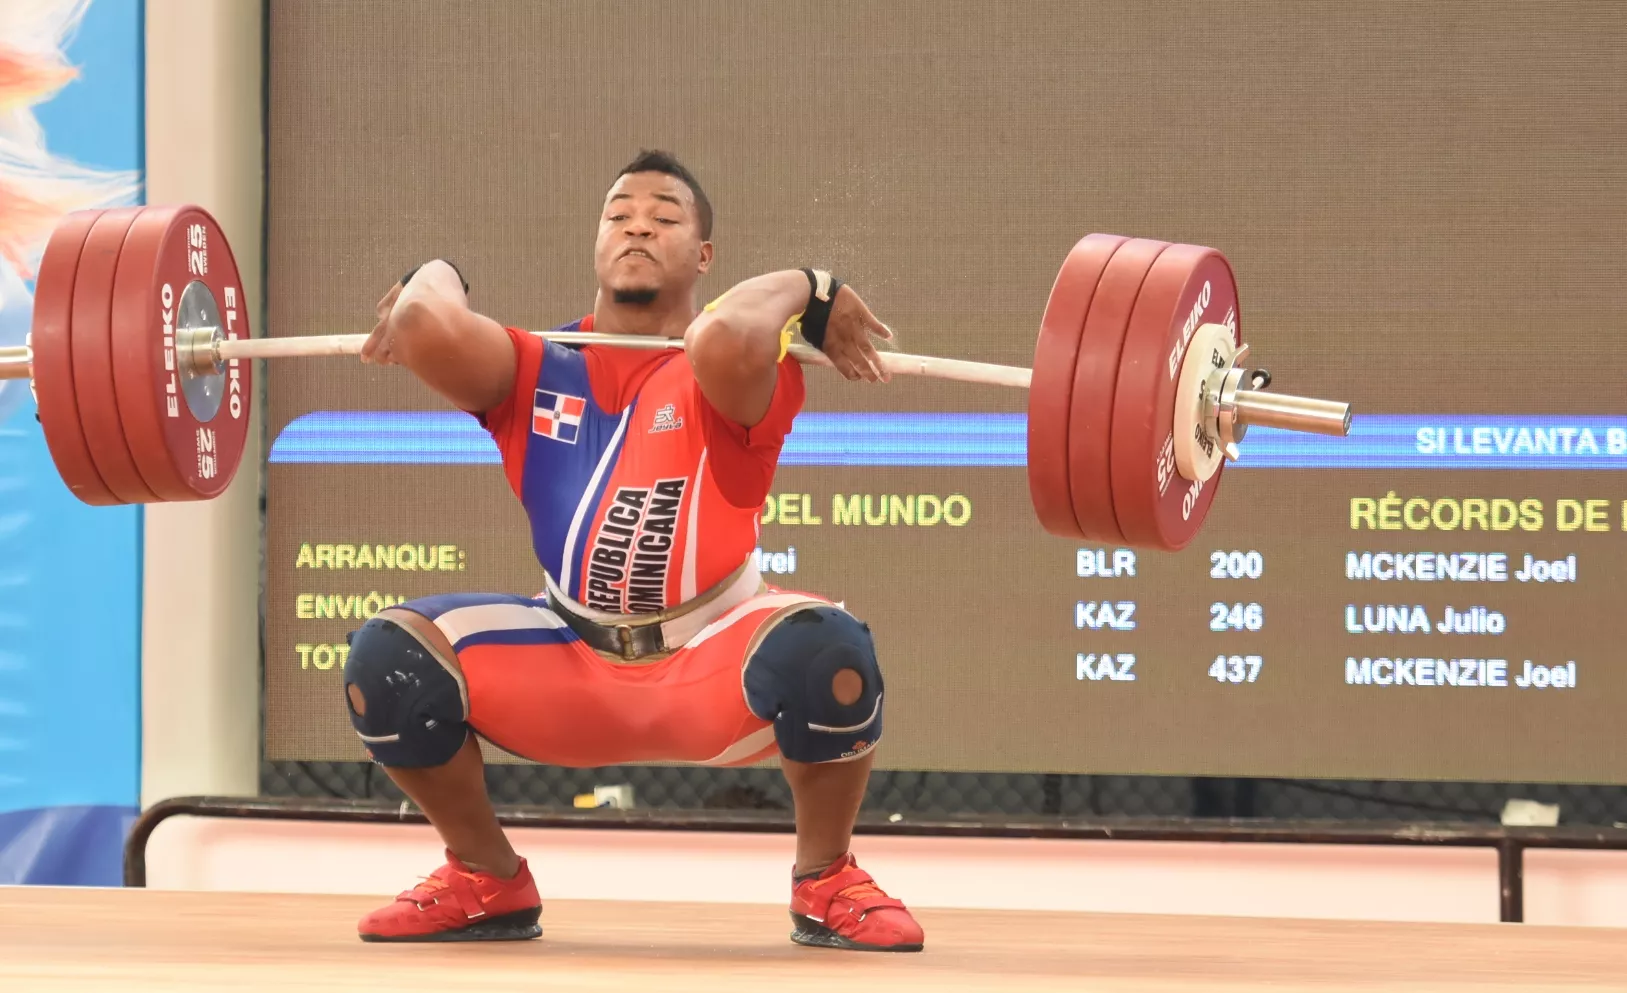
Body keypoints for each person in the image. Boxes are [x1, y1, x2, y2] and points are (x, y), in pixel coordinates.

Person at [342, 150, 923, 952]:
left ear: (705, 256)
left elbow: (724, 331)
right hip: (567, 663)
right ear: (595, 241)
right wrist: (429, 272)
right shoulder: (527, 369)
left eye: (664, 214)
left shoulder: (745, 366)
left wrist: (811, 285)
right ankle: (485, 877)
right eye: (618, 213)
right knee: (387, 660)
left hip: (712, 668)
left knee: (830, 650)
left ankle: (825, 879)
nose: (637, 224)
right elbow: (421, 323)